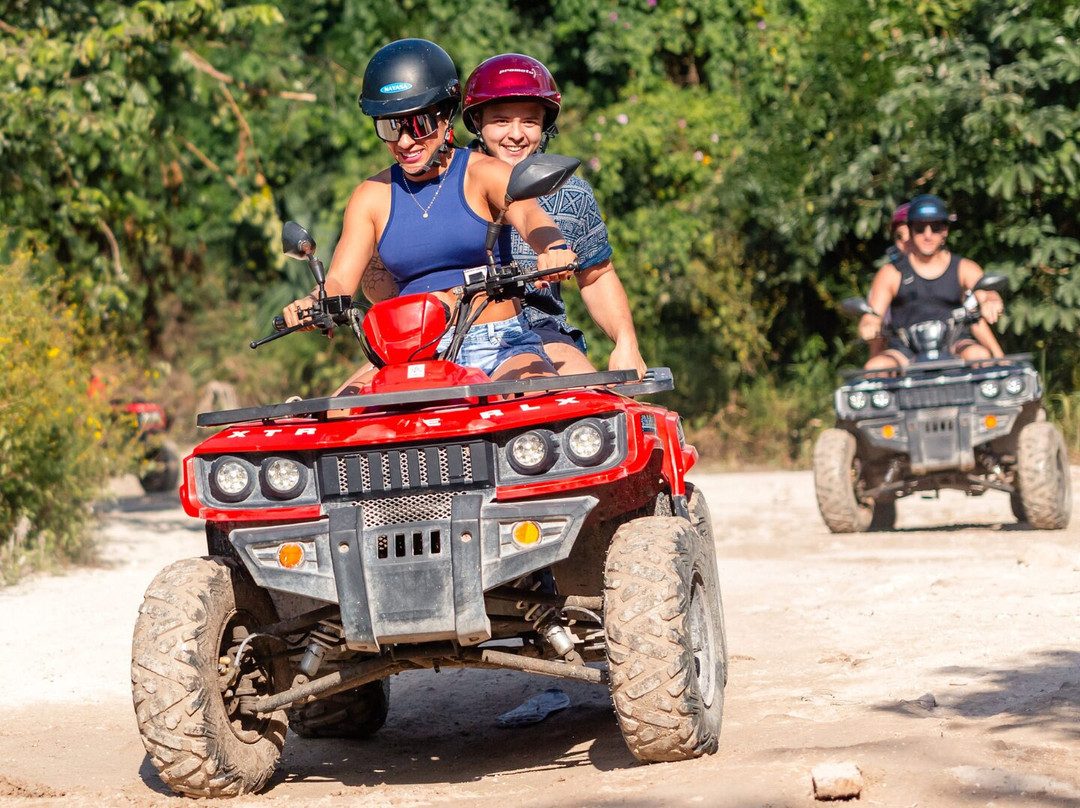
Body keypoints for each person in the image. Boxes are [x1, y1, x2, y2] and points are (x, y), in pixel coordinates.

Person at [283, 39, 576, 387]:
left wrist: (553, 249)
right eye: (390, 126)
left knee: (537, 400)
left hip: (499, 344)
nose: (404, 142)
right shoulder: (369, 197)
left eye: (418, 124)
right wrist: (311, 303)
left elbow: (532, 219)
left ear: (445, 115)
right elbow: (338, 282)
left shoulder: (484, 173)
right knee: (340, 416)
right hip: (409, 351)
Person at [461, 53, 647, 378]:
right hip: (450, 332)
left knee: (588, 403)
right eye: (502, 121)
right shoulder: (449, 182)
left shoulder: (571, 193)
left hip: (540, 330)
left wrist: (626, 341)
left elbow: (597, 275)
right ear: (477, 121)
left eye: (529, 122)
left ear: (545, 125)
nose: (516, 134)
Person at [858, 194, 1004, 370]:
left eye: (935, 228)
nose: (928, 235)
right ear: (911, 230)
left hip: (953, 344)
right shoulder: (890, 274)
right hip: (905, 350)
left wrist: (991, 300)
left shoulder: (964, 268)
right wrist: (869, 324)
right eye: (920, 229)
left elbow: (985, 292)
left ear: (945, 231)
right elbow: (873, 314)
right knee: (877, 366)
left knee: (978, 355)